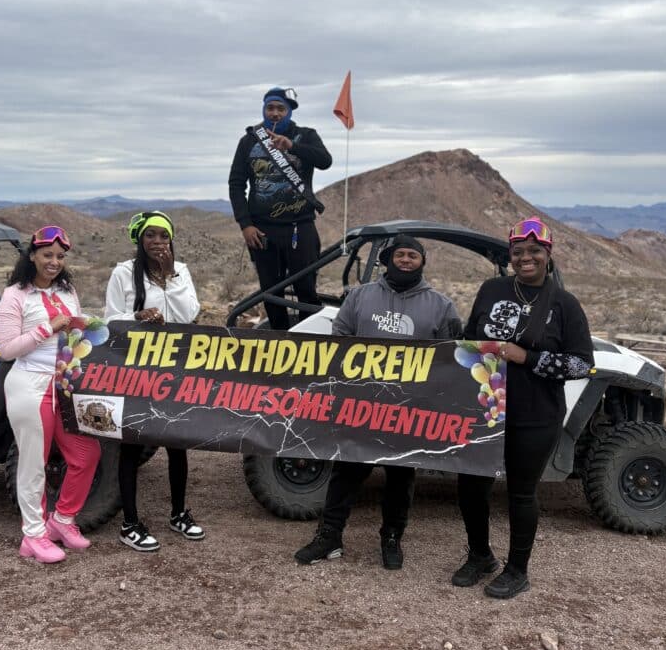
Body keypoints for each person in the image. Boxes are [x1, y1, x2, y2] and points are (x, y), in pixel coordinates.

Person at [295, 234, 462, 569]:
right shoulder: (361, 296)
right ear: (388, 259)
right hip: (362, 406)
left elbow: (452, 355)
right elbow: (340, 337)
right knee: (346, 471)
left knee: (401, 478)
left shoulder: (441, 306)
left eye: (412, 256)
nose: (405, 260)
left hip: (408, 409)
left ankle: (391, 538)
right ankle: (329, 536)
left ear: (421, 262)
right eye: (399, 254)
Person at [452, 216, 594, 599]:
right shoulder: (491, 289)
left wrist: (526, 357)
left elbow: (583, 364)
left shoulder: (563, 304)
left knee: (520, 492)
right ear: (510, 256)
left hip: (535, 414)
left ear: (548, 255)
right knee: (470, 486)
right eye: (518, 252)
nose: (525, 258)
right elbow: (469, 341)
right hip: (486, 408)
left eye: (534, 251)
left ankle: (517, 570)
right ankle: (480, 556)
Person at [0, 226, 101, 563]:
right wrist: (47, 327)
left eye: (59, 256)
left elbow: (74, 335)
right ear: (32, 256)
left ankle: (62, 520)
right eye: (47, 255)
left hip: (65, 385)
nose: (54, 262)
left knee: (86, 453)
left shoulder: (67, 290)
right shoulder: (15, 295)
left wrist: (89, 326)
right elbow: (7, 349)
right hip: (30, 385)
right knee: (33, 463)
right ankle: (34, 535)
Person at [104, 210, 205, 552]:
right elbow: (110, 320)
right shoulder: (123, 273)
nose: (157, 242)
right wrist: (136, 316)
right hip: (136, 371)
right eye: (150, 235)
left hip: (174, 368)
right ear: (139, 239)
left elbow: (188, 314)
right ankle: (130, 522)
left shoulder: (182, 272)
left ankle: (179, 513)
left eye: (163, 236)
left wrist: (169, 276)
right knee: (133, 443)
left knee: (177, 440)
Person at [228, 86, 332, 329]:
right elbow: (236, 185)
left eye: (280, 109)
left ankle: (310, 340)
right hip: (262, 231)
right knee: (271, 292)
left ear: (290, 112)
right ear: (264, 109)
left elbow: (325, 161)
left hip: (300, 228)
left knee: (306, 289)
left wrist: (292, 147)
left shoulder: (306, 135)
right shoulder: (249, 141)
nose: (275, 113)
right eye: (270, 108)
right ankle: (278, 341)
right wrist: (245, 225)